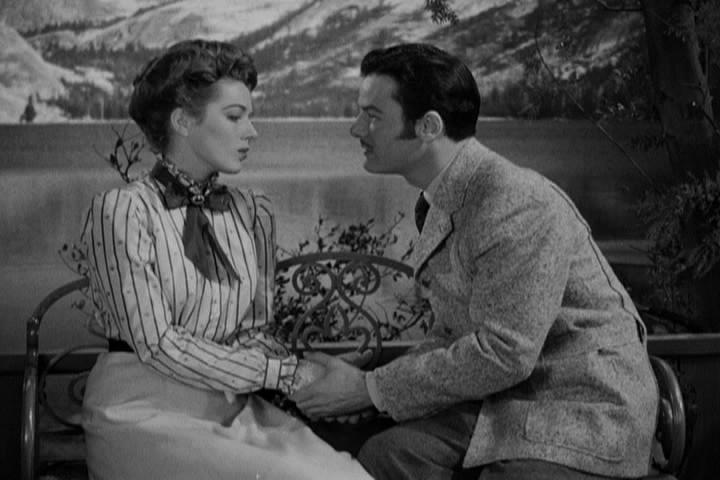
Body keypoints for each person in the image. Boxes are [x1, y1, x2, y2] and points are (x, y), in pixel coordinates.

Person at [291, 43, 659, 480]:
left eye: (372, 116)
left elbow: (505, 352)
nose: (356, 129)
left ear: (429, 126)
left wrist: (370, 390)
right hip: (512, 400)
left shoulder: (515, 202)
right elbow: (457, 335)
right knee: (387, 455)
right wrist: (374, 386)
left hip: (583, 409)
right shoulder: (447, 196)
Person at [78, 39, 372, 480]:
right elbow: (157, 344)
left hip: (234, 409)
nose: (252, 132)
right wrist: (287, 375)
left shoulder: (251, 211)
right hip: (142, 414)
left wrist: (320, 383)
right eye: (235, 116)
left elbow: (255, 331)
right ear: (182, 121)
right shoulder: (123, 211)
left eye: (249, 116)